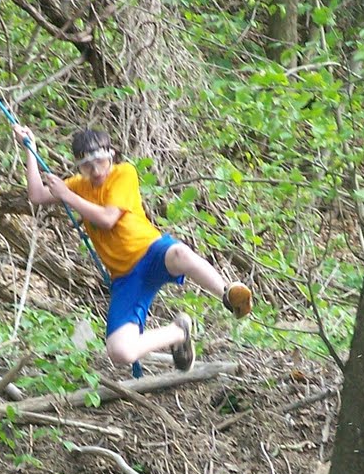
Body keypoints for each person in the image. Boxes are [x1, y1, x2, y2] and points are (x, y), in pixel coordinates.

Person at [14, 124, 252, 372]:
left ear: (111, 156)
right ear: (79, 168)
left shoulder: (123, 173)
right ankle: (178, 333)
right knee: (120, 352)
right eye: (87, 167)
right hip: (126, 277)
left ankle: (227, 293)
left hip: (151, 252)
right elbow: (37, 195)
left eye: (101, 162)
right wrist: (29, 148)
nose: (95, 172)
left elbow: (107, 218)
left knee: (181, 253)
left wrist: (67, 196)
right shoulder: (78, 186)